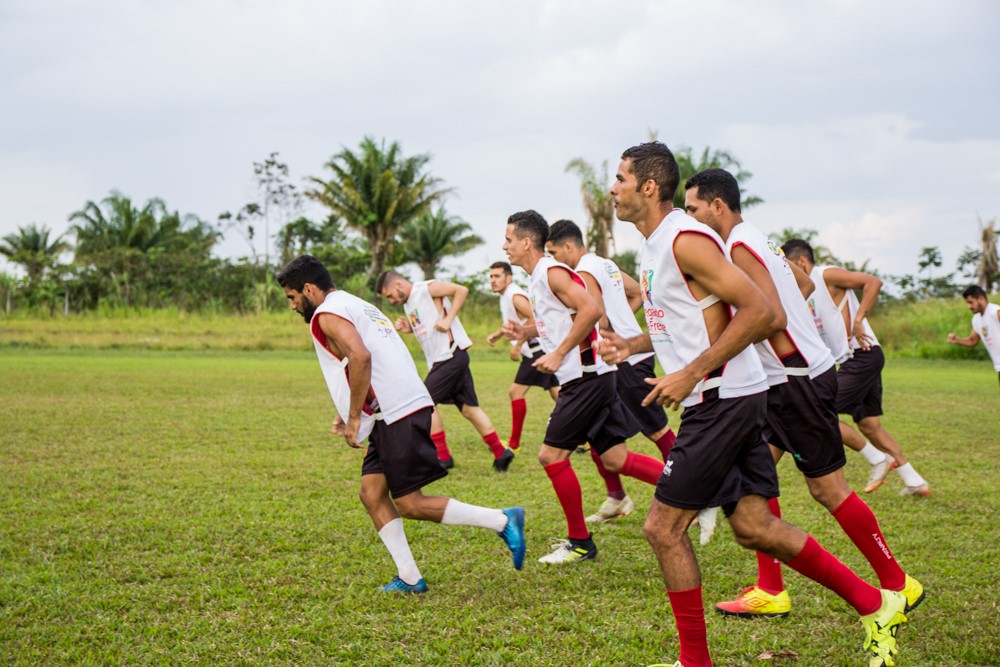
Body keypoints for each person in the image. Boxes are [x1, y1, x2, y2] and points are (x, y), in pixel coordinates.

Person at [601, 142, 906, 667]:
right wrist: (630, 346)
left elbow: (762, 311)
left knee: (662, 529)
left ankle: (695, 662)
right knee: (754, 527)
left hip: (722, 401)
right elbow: (689, 324)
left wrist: (692, 372)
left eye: (620, 178)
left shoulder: (684, 239)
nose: (612, 188)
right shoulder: (653, 247)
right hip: (731, 398)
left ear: (648, 187)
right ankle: (875, 603)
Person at [683, 168, 923, 621]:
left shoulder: (737, 246)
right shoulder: (758, 238)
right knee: (754, 484)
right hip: (778, 382)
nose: (690, 219)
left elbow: (768, 317)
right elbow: (806, 286)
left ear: (717, 206)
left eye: (693, 209)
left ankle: (898, 583)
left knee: (828, 489)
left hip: (797, 381)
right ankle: (771, 589)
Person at [276, 255, 526, 593]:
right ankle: (410, 577)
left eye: (292, 297)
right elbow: (368, 361)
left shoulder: (327, 314)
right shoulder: (355, 304)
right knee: (372, 493)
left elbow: (361, 356)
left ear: (308, 289)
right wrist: (349, 406)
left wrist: (353, 418)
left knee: (410, 503)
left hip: (399, 411)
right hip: (392, 410)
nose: (292, 305)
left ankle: (502, 519)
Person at [501, 209, 668, 565]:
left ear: (527, 242)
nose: (505, 247)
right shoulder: (540, 277)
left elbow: (590, 310)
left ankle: (580, 542)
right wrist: (528, 333)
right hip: (596, 377)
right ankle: (691, 489)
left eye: (509, 240)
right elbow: (564, 319)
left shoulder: (550, 271)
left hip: (587, 379)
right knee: (614, 457)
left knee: (551, 455)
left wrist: (560, 353)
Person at [544, 220, 696, 529]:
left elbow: (594, 314)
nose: (552, 261)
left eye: (553, 252)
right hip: (620, 358)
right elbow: (636, 292)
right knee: (598, 431)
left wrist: (614, 333)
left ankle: (691, 496)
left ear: (569, 247)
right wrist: (627, 321)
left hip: (625, 360)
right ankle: (616, 497)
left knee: (657, 430)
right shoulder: (604, 264)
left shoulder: (583, 272)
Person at [781, 240, 931, 497]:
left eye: (790, 268)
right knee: (870, 425)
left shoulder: (825, 274)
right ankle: (915, 481)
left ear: (802, 262)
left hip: (862, 356)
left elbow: (872, 282)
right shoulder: (803, 292)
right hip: (858, 359)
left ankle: (877, 458)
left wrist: (859, 319)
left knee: (817, 412)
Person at [375, 270, 514, 472]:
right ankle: (501, 452)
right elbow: (429, 328)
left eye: (389, 295)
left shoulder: (426, 288)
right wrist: (410, 328)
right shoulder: (409, 303)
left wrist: (449, 320)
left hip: (449, 357)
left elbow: (461, 290)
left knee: (424, 403)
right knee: (468, 408)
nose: (391, 300)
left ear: (397, 284)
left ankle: (442, 457)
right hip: (448, 358)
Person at [486, 261, 559, 452]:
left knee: (515, 392)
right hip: (540, 349)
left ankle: (513, 444)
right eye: (491, 277)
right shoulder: (506, 295)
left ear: (508, 278)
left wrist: (518, 345)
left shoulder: (514, 295)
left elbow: (535, 317)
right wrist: (499, 334)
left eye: (497, 276)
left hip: (536, 351)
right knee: (559, 394)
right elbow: (517, 321)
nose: (493, 281)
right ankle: (586, 435)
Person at [947, 284, 1000, 386]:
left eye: (971, 302)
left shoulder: (995, 311)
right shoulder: (976, 319)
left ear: (981, 298)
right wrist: (957, 340)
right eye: (967, 303)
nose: (969, 306)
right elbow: (973, 341)